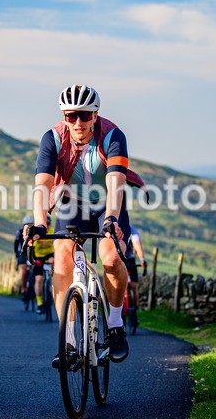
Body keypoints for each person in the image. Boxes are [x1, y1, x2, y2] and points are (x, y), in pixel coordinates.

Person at [29, 84, 145, 366]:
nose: (78, 123)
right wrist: (39, 223)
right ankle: (68, 341)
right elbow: (42, 184)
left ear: (95, 114)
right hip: (71, 202)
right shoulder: (53, 138)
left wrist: (112, 219)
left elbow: (116, 179)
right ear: (64, 116)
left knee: (109, 256)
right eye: (71, 116)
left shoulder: (113, 135)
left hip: (108, 204)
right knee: (62, 259)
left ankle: (116, 326)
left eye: (84, 115)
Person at [31, 216, 54, 314]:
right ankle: (39, 302)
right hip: (38, 256)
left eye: (48, 224)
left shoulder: (53, 231)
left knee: (56, 272)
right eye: (46, 224)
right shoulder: (37, 232)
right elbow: (31, 247)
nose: (47, 226)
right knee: (39, 279)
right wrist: (34, 260)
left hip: (50, 255)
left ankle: (53, 291)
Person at [124, 225, 147, 308]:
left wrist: (142, 259)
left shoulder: (132, 230)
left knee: (134, 285)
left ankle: (134, 309)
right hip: (118, 258)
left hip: (130, 259)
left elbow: (137, 245)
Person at [14, 216, 32, 297]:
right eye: (26, 224)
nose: (28, 226)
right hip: (22, 253)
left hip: (32, 252)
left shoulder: (34, 232)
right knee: (24, 271)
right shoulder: (19, 232)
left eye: (30, 224)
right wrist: (17, 255)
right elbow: (16, 244)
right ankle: (23, 288)